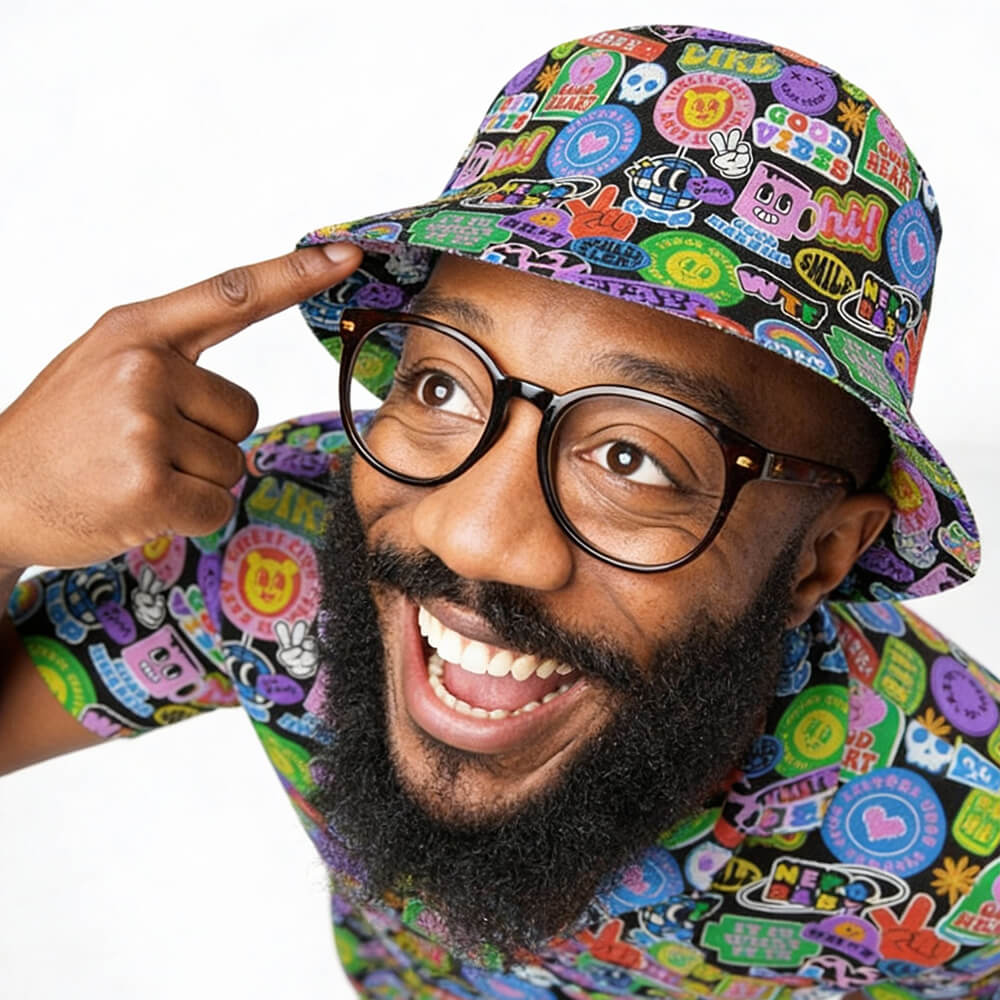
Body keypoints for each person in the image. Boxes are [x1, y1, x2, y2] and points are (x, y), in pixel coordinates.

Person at [1, 21, 998, 1000]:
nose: (471, 534)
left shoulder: (966, 835)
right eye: (440, 387)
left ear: (819, 557)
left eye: (633, 458)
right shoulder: (263, 552)